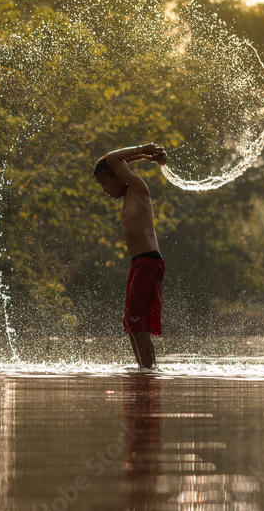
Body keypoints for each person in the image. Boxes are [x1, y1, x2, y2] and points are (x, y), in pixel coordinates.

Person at [94, 143, 168, 369]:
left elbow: (113, 158)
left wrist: (144, 150)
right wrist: (143, 156)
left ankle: (149, 371)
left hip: (148, 263)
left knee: (138, 324)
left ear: (117, 176)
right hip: (139, 264)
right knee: (131, 323)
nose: (105, 190)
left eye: (105, 182)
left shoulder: (137, 188)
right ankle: (144, 369)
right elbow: (115, 163)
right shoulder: (128, 197)